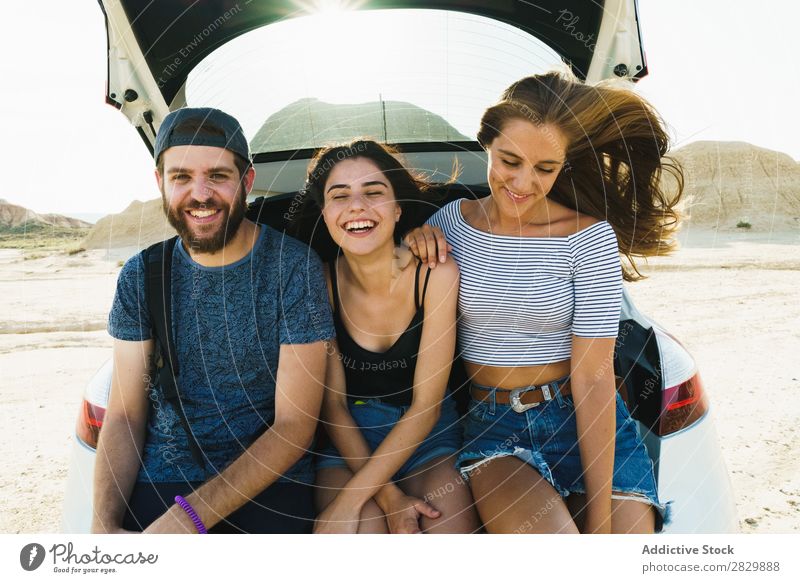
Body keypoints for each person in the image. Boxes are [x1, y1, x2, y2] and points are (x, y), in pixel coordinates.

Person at [404, 72, 682, 534]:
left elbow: (593, 377)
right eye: (508, 160)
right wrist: (415, 237)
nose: (522, 182)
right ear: (486, 144)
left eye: (545, 168)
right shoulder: (448, 225)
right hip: (497, 429)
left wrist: (601, 522)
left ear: (563, 166)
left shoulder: (588, 239)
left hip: (587, 418)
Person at [92, 108, 335, 534]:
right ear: (160, 183)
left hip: (270, 480)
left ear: (247, 182)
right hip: (163, 479)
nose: (200, 194)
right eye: (181, 177)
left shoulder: (293, 269)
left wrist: (190, 519)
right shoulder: (140, 276)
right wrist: (103, 527)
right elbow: (125, 416)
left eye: (218, 176)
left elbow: (295, 426)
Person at [302, 140, 480, 533]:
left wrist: (361, 499)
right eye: (340, 195)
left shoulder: (435, 272)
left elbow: (427, 406)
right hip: (351, 444)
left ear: (397, 208)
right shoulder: (320, 284)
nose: (357, 206)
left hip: (428, 437)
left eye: (373, 192)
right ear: (326, 213)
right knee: (360, 531)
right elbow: (334, 407)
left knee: (449, 528)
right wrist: (384, 498)